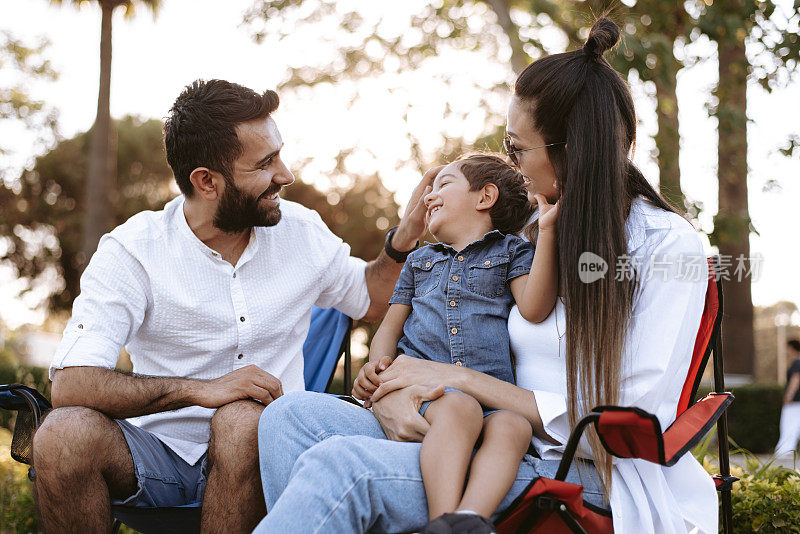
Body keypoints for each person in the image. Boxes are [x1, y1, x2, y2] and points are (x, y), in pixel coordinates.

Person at [254, 16, 719, 534]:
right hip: (473, 431)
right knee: (287, 419)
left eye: (517, 149)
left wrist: (455, 379)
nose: (510, 164)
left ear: (571, 150)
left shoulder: (662, 245)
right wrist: (398, 397)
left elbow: (620, 427)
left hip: (581, 470)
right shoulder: (525, 237)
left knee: (342, 469)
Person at [31, 79, 433, 533]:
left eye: (279, 154)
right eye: (265, 163)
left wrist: (403, 237)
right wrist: (199, 389)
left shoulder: (300, 230)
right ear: (206, 181)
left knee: (241, 420)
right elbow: (71, 384)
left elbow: (371, 298)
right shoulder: (133, 250)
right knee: (62, 435)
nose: (286, 175)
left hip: (266, 454)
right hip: (159, 458)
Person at [351, 153, 560, 529]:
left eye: (443, 184)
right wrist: (376, 368)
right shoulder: (419, 262)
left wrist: (547, 232)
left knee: (515, 428)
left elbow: (534, 307)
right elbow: (390, 326)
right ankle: (441, 521)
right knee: (458, 408)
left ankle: (469, 520)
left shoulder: (512, 252)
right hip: (430, 392)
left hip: (491, 395)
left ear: (485, 197)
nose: (429, 196)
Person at [775, 339, 800, 456]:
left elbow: (795, 379)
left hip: (794, 401)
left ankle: (785, 450)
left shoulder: (797, 363)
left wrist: (789, 396)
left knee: (789, 424)